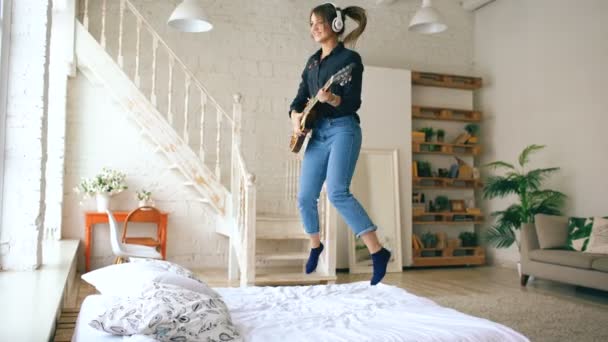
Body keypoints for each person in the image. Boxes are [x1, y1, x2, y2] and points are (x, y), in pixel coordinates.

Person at [289, 3, 391, 286]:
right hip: (317, 133)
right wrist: (295, 119)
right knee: (304, 196)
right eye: (310, 24)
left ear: (335, 24)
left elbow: (352, 102)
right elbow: (298, 101)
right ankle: (315, 245)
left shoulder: (350, 60)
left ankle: (377, 251)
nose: (314, 28)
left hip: (343, 130)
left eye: (319, 22)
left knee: (336, 192)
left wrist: (331, 99)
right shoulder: (311, 63)